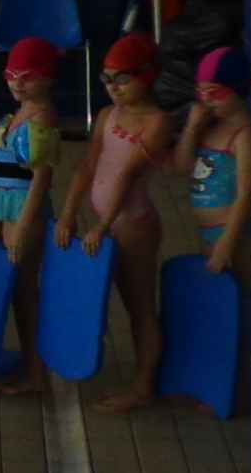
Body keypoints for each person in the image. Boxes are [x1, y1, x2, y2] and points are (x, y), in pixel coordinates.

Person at [60, 32, 176, 414]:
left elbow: (127, 178)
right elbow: (87, 166)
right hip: (109, 224)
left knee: (140, 308)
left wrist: (103, 225)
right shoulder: (108, 116)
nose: (113, 87)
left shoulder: (158, 122)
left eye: (122, 78)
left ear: (147, 76)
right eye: (107, 78)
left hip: (135, 223)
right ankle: (142, 381)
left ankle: (144, 389)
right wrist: (68, 215)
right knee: (125, 307)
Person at [0, 39, 64, 394]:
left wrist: (23, 227)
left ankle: (37, 372)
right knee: (19, 292)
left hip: (26, 211)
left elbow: (41, 179)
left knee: (26, 293)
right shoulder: (16, 115)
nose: (17, 83)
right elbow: (1, 175)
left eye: (27, 76)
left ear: (48, 79)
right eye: (11, 75)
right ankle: (32, 365)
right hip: (7, 209)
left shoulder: (42, 117)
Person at [184, 49, 251, 282]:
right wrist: (191, 128)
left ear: (239, 91)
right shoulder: (211, 129)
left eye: (215, 93)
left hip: (237, 232)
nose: (206, 100)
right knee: (219, 296)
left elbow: (246, 195)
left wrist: (226, 245)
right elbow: (180, 167)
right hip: (208, 231)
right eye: (201, 92)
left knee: (239, 296)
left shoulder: (246, 136)